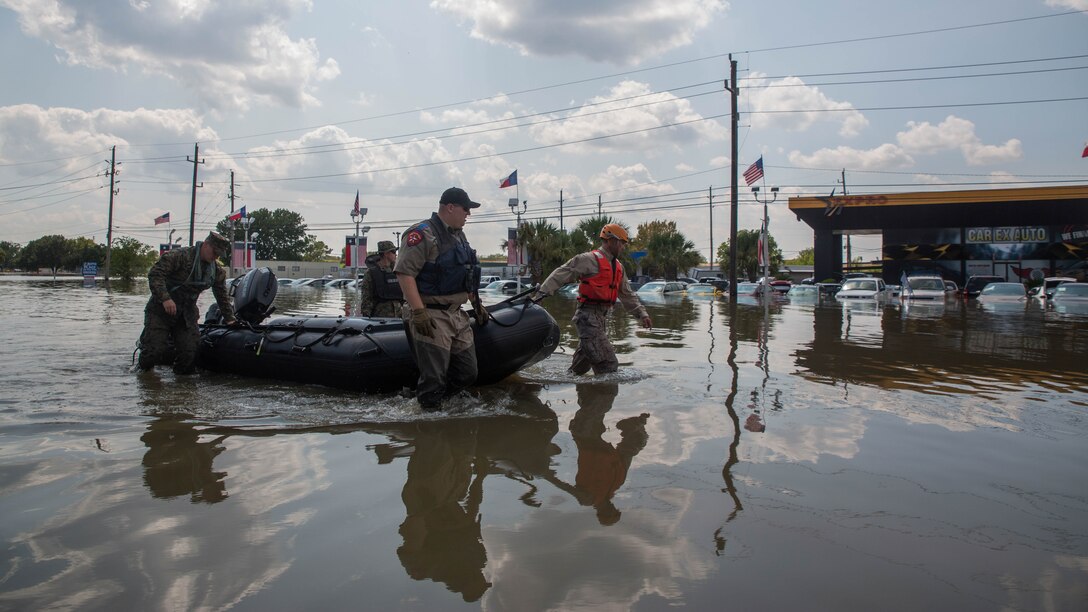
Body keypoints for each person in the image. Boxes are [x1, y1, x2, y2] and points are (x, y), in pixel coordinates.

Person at [395, 187, 488, 412]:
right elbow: (405, 273)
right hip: (432, 314)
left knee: (468, 372)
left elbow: (464, 274)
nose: (468, 215)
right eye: (466, 209)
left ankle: (438, 405)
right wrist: (419, 312)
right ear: (450, 207)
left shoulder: (459, 236)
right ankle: (428, 419)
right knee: (434, 377)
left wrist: (477, 304)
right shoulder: (421, 234)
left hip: (457, 314)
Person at [532, 223, 652, 375]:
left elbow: (627, 294)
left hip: (601, 319)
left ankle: (574, 388)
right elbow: (560, 274)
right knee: (608, 365)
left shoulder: (619, 267)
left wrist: (642, 314)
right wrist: (540, 296)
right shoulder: (588, 259)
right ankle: (601, 395)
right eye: (621, 243)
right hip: (587, 318)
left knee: (580, 369)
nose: (623, 247)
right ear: (610, 240)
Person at [138, 231, 237, 374]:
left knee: (189, 352)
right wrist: (165, 298)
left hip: (186, 313)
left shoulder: (216, 271)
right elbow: (155, 274)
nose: (216, 257)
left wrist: (230, 319)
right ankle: (145, 376)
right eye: (214, 252)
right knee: (154, 350)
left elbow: (221, 295)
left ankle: (182, 387)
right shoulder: (179, 256)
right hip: (161, 310)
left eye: (219, 254)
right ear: (206, 245)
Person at [358, 240, 403, 318]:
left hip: (400, 314)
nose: (395, 254)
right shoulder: (371, 272)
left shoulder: (397, 270)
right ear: (386, 254)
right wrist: (366, 316)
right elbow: (366, 297)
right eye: (393, 252)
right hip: (381, 316)